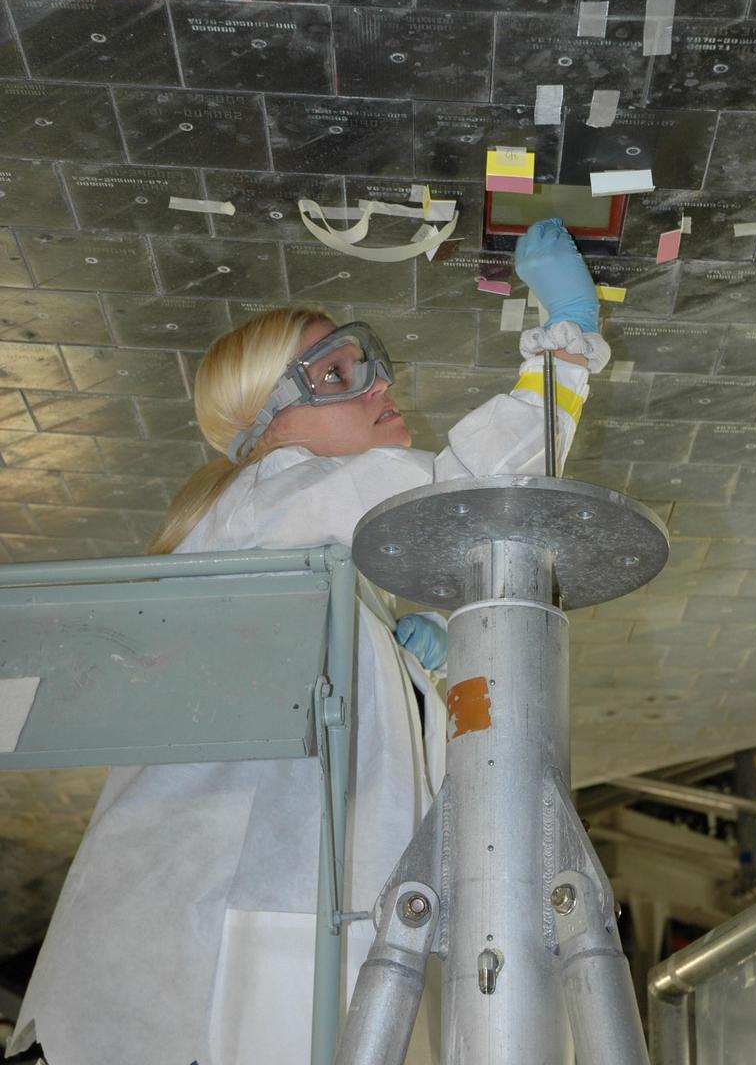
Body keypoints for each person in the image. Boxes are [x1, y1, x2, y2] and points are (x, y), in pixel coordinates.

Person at [8, 221, 609, 1065]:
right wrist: (568, 339)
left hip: (249, 949)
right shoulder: (272, 494)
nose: (377, 384)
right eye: (335, 373)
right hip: (234, 948)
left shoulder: (292, 553)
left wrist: (408, 662)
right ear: (271, 425)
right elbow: (474, 493)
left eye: (366, 363)